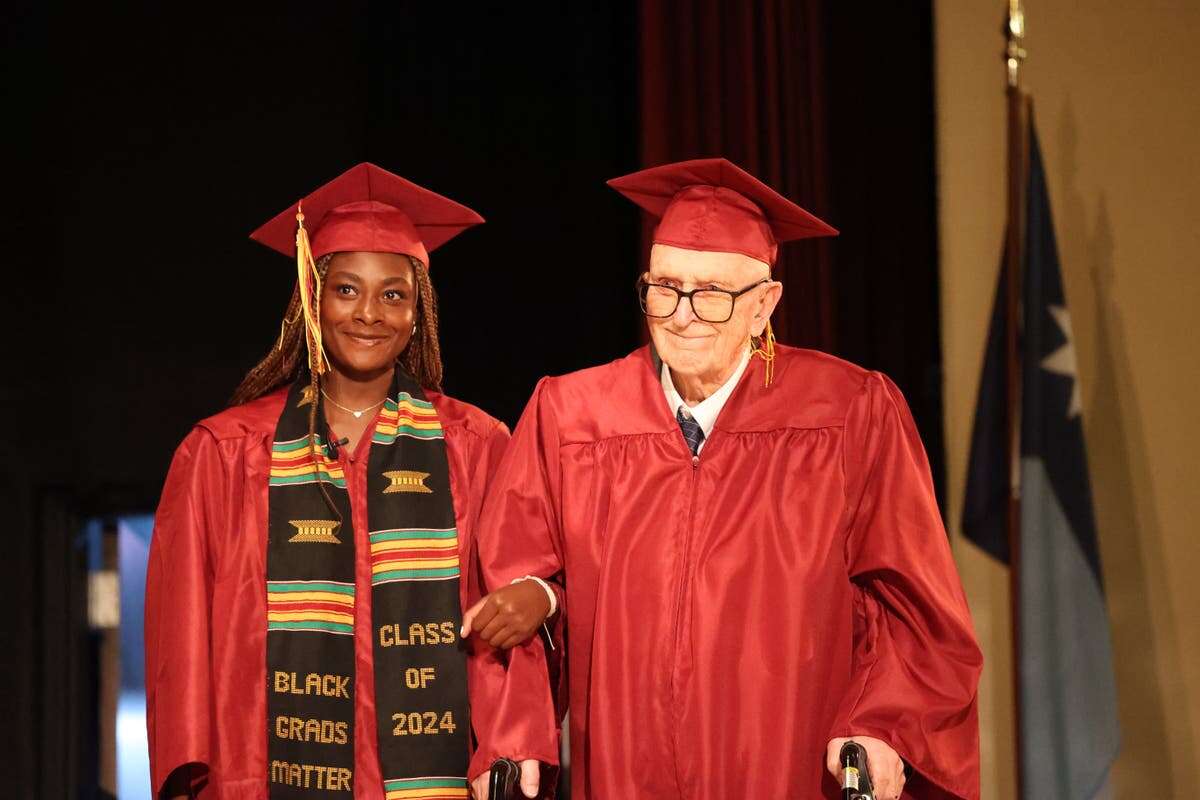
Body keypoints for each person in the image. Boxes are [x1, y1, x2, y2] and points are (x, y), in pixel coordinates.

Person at [465, 158, 984, 799]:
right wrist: (516, 735)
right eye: (666, 288)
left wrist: (880, 725)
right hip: (626, 773)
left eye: (712, 293)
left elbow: (909, 602)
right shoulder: (571, 417)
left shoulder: (848, 413)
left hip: (786, 768)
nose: (683, 315)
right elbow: (521, 585)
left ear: (764, 305)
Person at [145, 163, 516, 798]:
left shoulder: (475, 446)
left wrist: (507, 749)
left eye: (393, 294)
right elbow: (179, 636)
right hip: (258, 770)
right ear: (311, 300)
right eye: (346, 290)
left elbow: (504, 623)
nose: (369, 314)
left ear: (418, 308)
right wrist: (189, 771)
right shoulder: (223, 453)